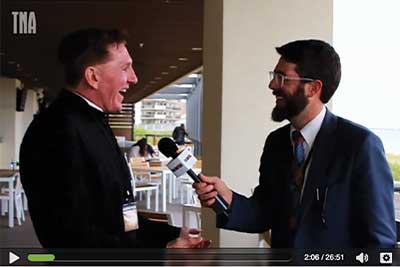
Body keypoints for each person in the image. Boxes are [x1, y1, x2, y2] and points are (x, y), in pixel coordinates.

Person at [194, 39, 396, 248]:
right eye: (274, 77)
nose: (272, 85)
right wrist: (228, 199)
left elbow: (380, 242)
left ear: (313, 88)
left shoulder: (359, 146)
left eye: (282, 78)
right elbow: (266, 213)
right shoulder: (277, 142)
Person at [19, 28, 209, 248]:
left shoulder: (94, 120)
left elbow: (120, 217)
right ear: (93, 77)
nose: (134, 78)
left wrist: (173, 235)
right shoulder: (54, 131)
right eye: (125, 67)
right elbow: (70, 239)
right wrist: (163, 254)